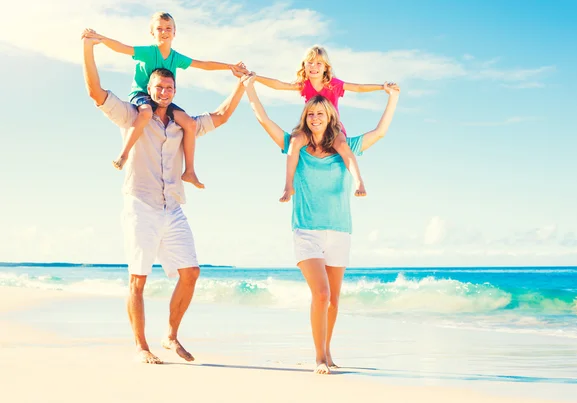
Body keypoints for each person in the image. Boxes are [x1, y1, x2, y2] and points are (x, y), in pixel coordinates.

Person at [82, 31, 247, 364]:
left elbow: (221, 116)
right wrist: (89, 50)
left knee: (191, 272)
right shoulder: (131, 116)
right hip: (140, 205)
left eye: (169, 88)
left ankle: (170, 336)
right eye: (158, 87)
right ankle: (142, 347)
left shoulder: (181, 125)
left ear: (175, 92)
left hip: (172, 208)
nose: (164, 92)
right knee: (138, 280)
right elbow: (95, 92)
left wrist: (241, 84)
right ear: (149, 89)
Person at [243, 72, 400, 374]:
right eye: (310, 113)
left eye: (320, 113)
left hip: (340, 230)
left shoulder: (346, 147)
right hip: (307, 231)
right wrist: (250, 89)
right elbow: (264, 120)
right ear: (305, 117)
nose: (315, 117)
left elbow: (379, 132)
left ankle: (328, 351)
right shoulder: (296, 146)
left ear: (331, 117)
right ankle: (318, 357)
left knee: (334, 301)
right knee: (322, 294)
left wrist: (392, 98)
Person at [83, 11, 247, 189]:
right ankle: (124, 154)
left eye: (168, 28)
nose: (164, 32)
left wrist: (230, 67)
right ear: (152, 33)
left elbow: (203, 64)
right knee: (146, 112)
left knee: (190, 125)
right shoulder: (148, 52)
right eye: (159, 29)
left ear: (175, 32)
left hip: (163, 101)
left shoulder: (176, 57)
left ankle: (190, 171)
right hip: (142, 96)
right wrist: (101, 39)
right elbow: (123, 48)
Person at [255, 45, 392, 202]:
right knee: (294, 142)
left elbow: (358, 87)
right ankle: (288, 185)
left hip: (333, 127)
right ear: (304, 65)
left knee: (342, 146)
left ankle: (359, 182)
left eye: (319, 63)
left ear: (326, 67)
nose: (314, 67)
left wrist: (382, 87)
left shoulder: (333, 84)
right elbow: (279, 85)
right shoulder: (304, 85)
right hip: (310, 126)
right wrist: (255, 77)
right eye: (310, 63)